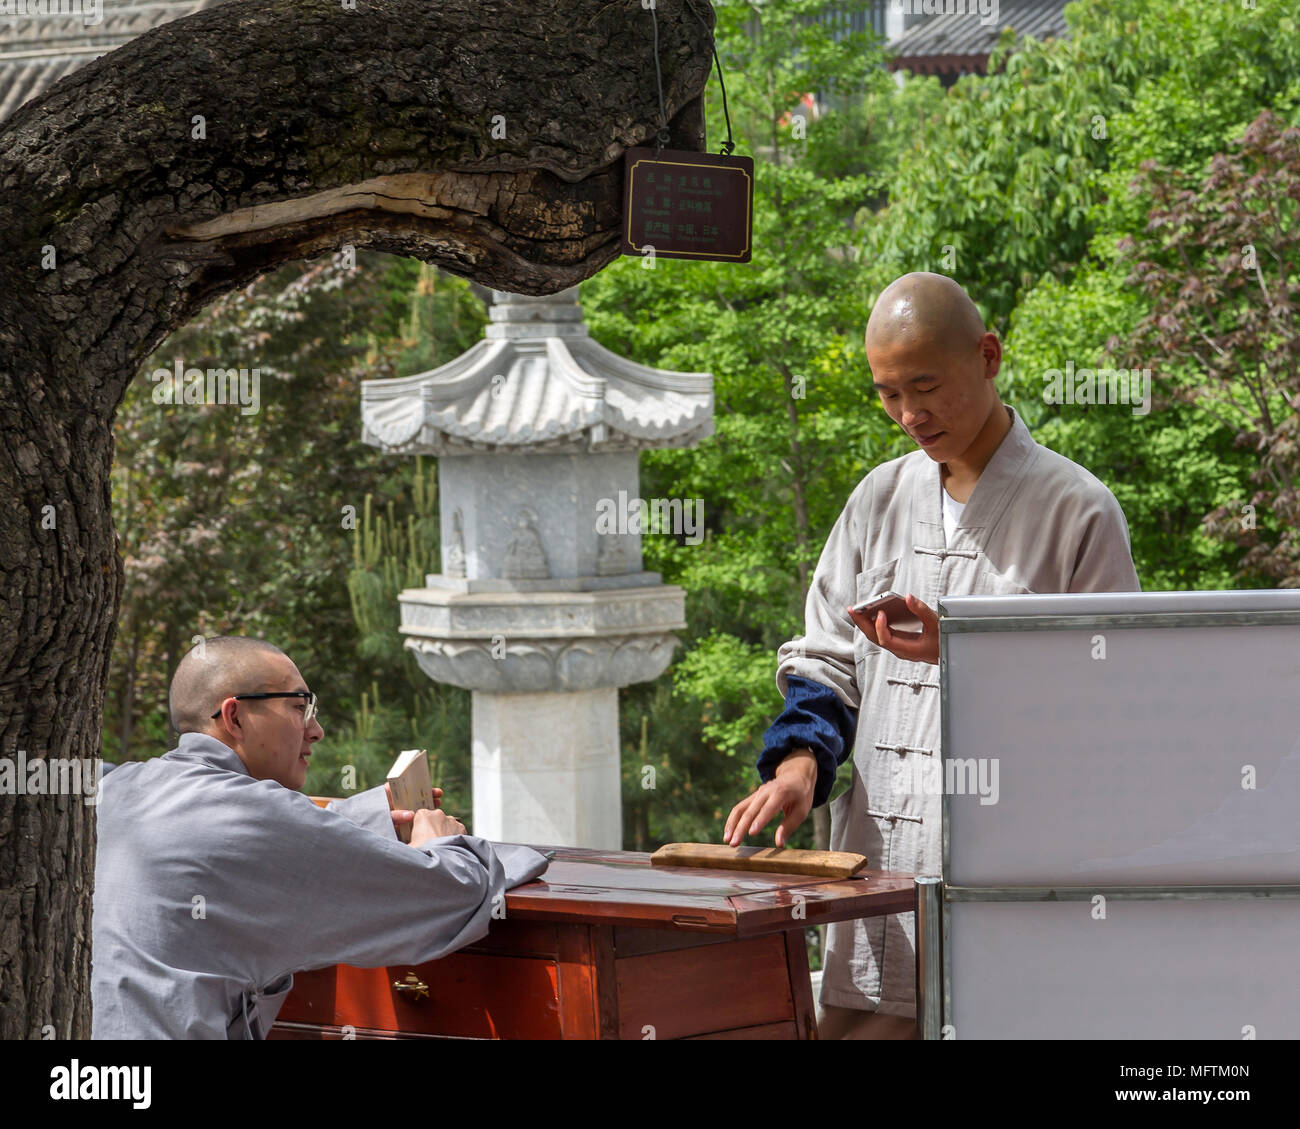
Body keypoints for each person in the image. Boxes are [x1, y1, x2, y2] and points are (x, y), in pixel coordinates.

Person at [724, 273, 1141, 1039]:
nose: (910, 415)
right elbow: (827, 661)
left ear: (988, 356)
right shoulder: (876, 501)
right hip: (878, 867)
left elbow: (1113, 703)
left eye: (926, 386)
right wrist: (797, 767)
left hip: (1015, 880)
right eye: (887, 394)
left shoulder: (1076, 511)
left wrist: (970, 648)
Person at [92, 636, 548, 1039]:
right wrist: (442, 843)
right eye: (299, 706)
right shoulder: (257, 815)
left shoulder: (119, 789)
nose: (316, 729)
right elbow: (456, 893)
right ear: (234, 717)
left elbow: (276, 831)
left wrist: (376, 818)